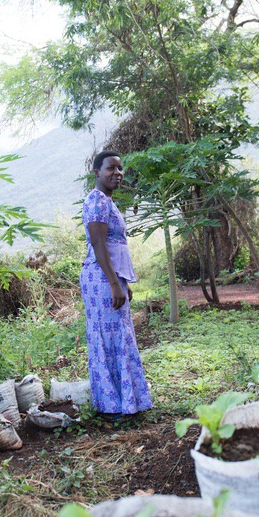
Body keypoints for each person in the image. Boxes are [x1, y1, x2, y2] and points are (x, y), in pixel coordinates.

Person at [80, 151, 153, 417]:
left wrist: (123, 283)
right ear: (96, 172)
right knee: (109, 339)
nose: (117, 173)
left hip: (110, 277)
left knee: (119, 337)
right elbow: (99, 244)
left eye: (120, 169)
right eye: (111, 168)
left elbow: (114, 246)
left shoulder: (107, 201)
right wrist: (113, 283)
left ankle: (125, 402)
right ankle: (113, 407)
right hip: (100, 279)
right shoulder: (97, 201)